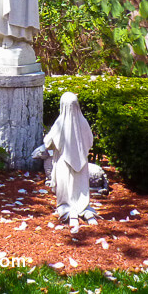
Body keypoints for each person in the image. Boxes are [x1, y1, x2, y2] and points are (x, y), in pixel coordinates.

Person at [43, 91, 97, 231]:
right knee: (80, 189)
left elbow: (48, 142)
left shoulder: (60, 123)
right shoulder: (83, 121)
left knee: (65, 191)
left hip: (63, 163)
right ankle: (86, 211)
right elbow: (90, 141)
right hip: (82, 164)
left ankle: (69, 212)